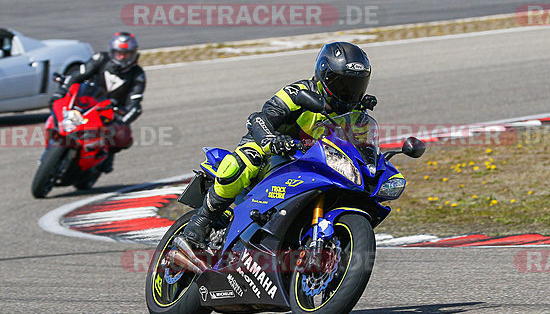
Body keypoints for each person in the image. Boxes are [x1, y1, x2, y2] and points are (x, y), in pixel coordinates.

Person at [183, 41, 378, 246]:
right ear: (324, 75)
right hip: (272, 150)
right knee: (246, 161)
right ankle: (202, 220)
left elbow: (359, 147)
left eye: (356, 85)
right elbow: (260, 118)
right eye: (342, 84)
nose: (349, 92)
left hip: (311, 164)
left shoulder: (355, 115)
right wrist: (271, 140)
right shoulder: (298, 92)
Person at [55, 32, 146, 172]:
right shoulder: (101, 59)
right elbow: (77, 76)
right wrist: (62, 91)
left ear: (133, 54)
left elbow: (135, 102)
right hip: (88, 100)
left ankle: (106, 157)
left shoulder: (137, 74)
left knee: (122, 137)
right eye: (118, 53)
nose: (122, 57)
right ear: (112, 52)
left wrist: (123, 119)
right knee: (58, 106)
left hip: (111, 112)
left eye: (126, 54)